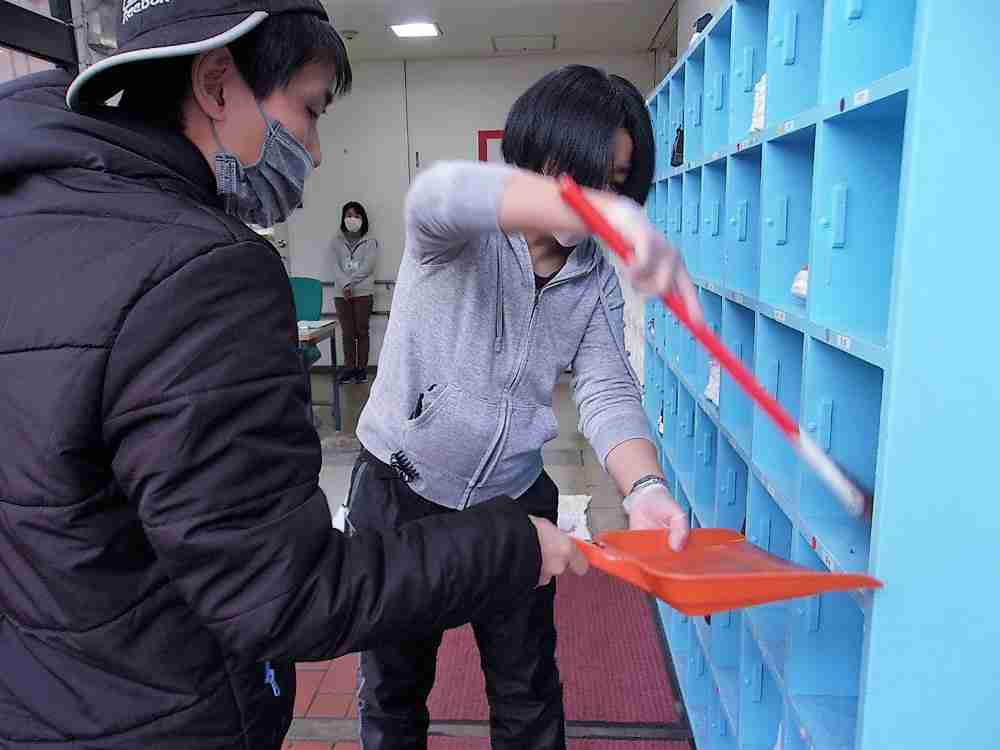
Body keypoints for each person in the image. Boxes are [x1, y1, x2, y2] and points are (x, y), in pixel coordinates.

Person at [0, 3, 588, 749]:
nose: (312, 149)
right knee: (398, 691)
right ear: (216, 83)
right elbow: (284, 590)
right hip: (159, 713)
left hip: (39, 696)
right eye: (309, 110)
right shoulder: (204, 270)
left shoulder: (28, 207)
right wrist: (512, 546)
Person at [351, 65, 703, 750]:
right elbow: (438, 192)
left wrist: (646, 488)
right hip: (402, 494)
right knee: (395, 691)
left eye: (616, 183)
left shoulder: (594, 278)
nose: (602, 200)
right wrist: (578, 207)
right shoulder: (461, 232)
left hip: (512, 502)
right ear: (537, 157)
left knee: (528, 690)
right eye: (585, 177)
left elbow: (607, 388)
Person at [332, 200, 378, 383]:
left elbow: (368, 266)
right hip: (341, 294)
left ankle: (361, 369)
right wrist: (345, 285)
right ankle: (349, 368)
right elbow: (335, 266)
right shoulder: (336, 242)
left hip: (363, 292)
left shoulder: (370, 242)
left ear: (363, 219)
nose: (352, 219)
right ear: (343, 218)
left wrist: (350, 284)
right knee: (347, 333)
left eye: (357, 216)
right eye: (349, 215)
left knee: (362, 331)